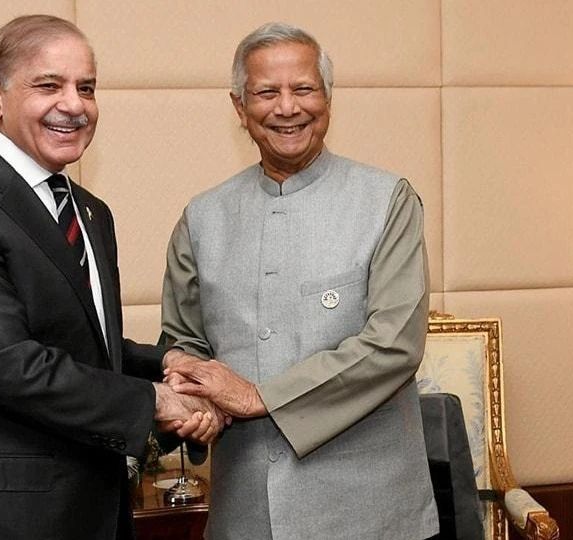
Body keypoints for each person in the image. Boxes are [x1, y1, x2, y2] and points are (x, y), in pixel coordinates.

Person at [0, 15, 222, 540]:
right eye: (49, 85)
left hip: (90, 505)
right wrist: (157, 400)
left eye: (86, 88)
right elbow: (12, 365)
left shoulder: (90, 212)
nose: (74, 105)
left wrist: (167, 364)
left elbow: (79, 345)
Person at [160, 22, 440, 539]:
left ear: (328, 98)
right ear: (239, 106)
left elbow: (394, 344)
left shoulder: (387, 201)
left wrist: (259, 398)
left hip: (370, 514)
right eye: (267, 92)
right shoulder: (202, 218)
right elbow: (185, 343)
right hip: (244, 510)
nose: (287, 107)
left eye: (304, 88)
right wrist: (193, 401)